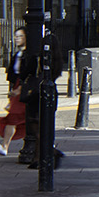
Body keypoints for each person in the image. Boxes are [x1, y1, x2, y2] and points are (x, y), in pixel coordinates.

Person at [14, 29, 66, 170]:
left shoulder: (36, 58)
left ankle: (49, 153)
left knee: (35, 126)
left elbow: (24, 74)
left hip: (36, 95)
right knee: (46, 126)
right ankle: (40, 157)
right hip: (50, 94)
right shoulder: (58, 60)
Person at [0, 28, 31, 156]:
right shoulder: (18, 54)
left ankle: (5, 146)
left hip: (24, 90)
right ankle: (5, 146)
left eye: (20, 36)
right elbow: (13, 74)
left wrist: (18, 90)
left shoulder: (29, 54)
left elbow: (29, 75)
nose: (17, 39)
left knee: (16, 118)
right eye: (16, 36)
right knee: (18, 119)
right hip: (18, 88)